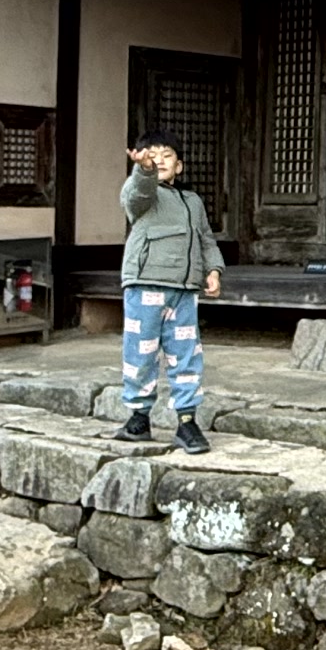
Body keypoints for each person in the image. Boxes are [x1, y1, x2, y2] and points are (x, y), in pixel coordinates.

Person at [114, 129, 223, 450]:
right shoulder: (140, 192)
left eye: (167, 156)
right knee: (141, 351)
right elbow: (139, 193)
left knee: (187, 354)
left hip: (184, 290)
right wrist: (144, 171)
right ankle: (138, 417)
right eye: (152, 155)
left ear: (180, 166)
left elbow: (206, 239)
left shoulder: (193, 201)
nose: (159, 160)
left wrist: (213, 270)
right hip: (145, 283)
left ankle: (187, 421)